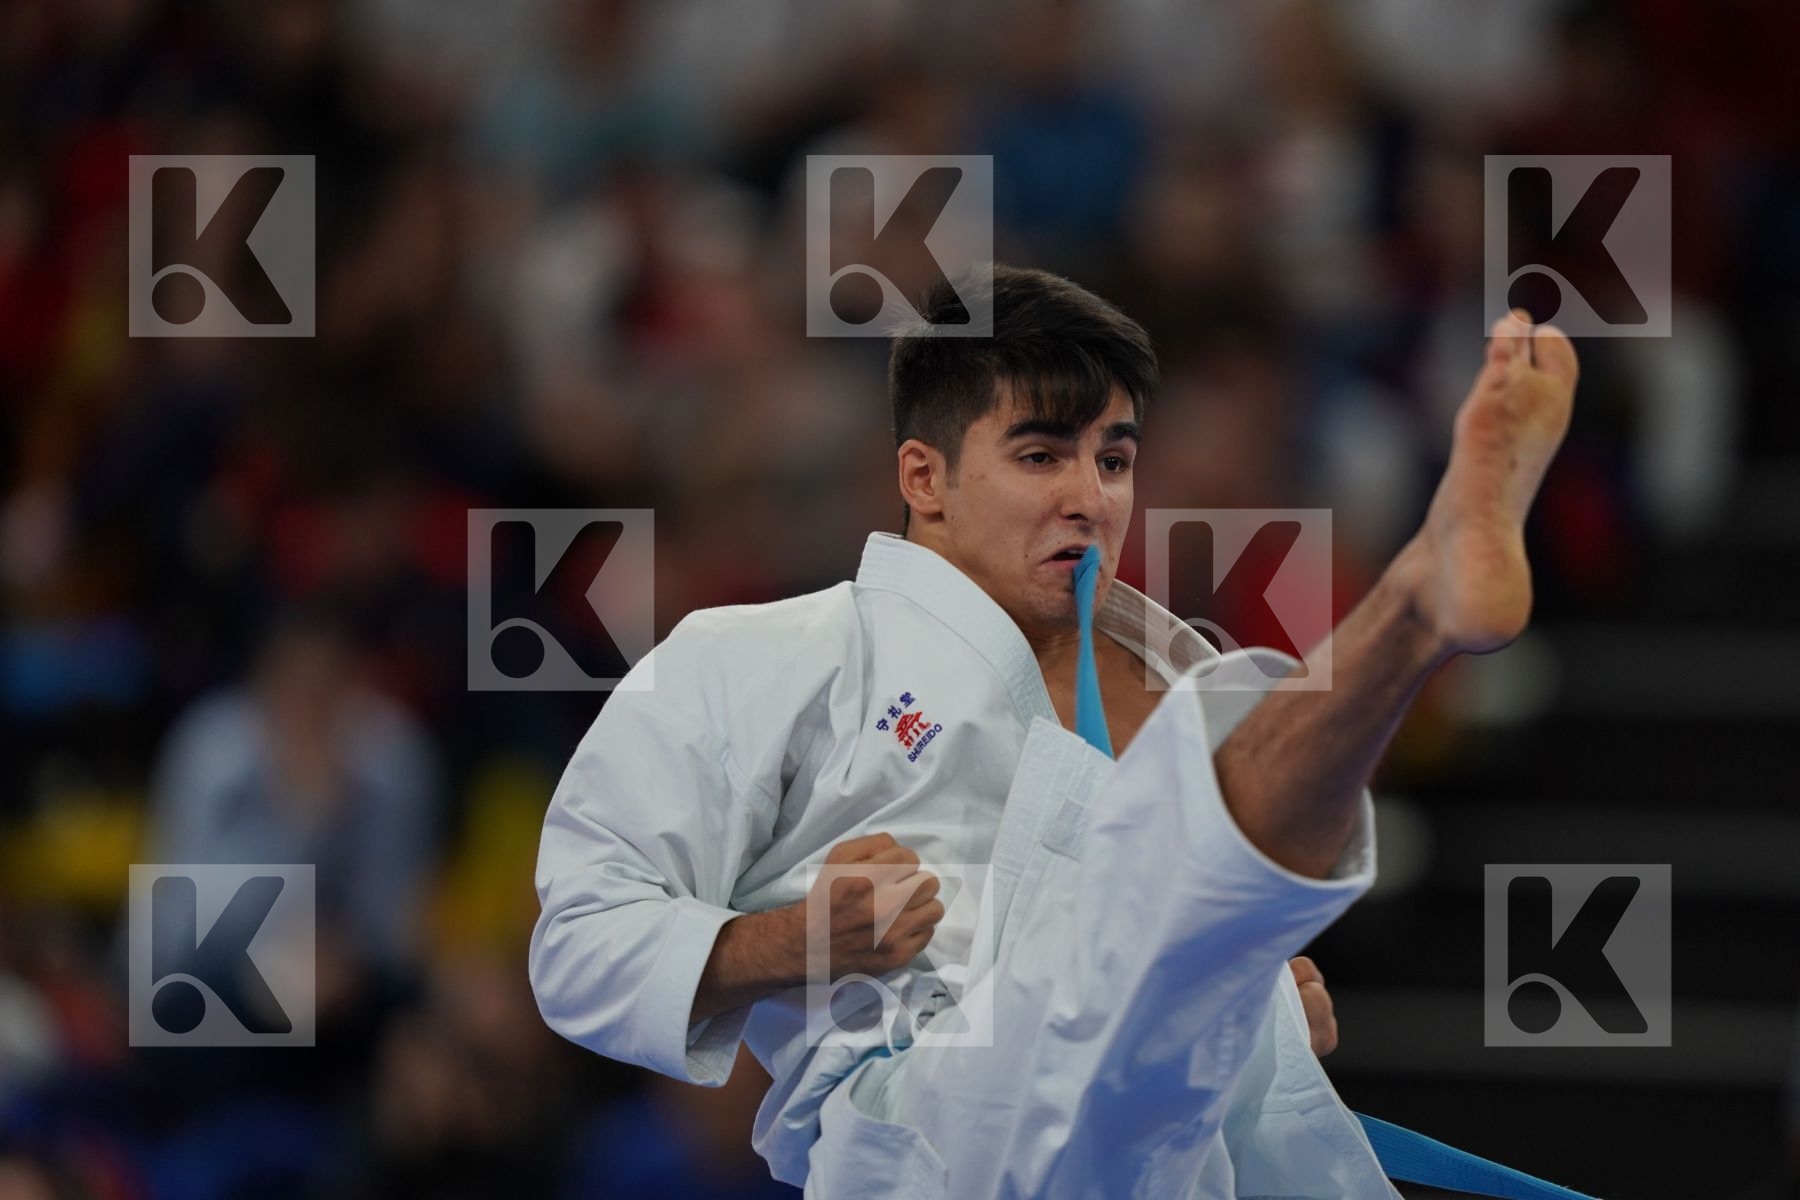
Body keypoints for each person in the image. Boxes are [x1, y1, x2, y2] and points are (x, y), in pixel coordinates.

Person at [528, 265, 1578, 1196]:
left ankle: (1420, 609)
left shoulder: (1180, 676)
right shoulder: (764, 656)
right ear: (923, 477)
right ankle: (1414, 608)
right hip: (930, 1140)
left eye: (1113, 462)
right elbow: (577, 939)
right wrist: (789, 944)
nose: (1090, 498)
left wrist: (1252, 1027)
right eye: (1040, 456)